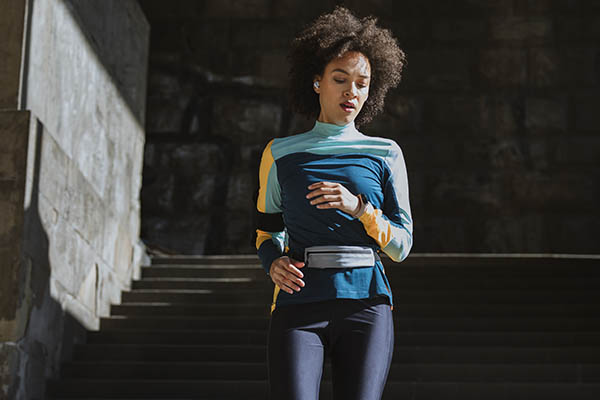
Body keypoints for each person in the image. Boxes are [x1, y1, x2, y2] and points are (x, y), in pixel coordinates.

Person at [253, 6, 412, 400]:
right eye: (340, 79)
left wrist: (360, 208)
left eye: (362, 83)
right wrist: (272, 261)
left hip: (368, 305)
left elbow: (402, 246)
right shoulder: (280, 153)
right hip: (298, 304)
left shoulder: (386, 153)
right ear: (316, 82)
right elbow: (266, 231)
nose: (351, 92)